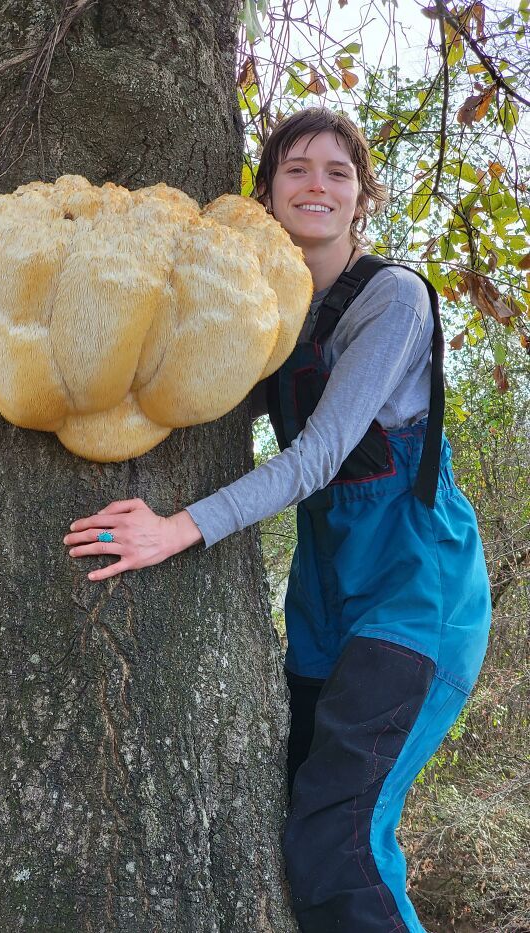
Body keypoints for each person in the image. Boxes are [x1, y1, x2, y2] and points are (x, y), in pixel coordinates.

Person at [62, 108, 491, 933]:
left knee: (342, 842)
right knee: (309, 822)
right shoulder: (274, 318)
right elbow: (206, 400)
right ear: (267, 191)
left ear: (364, 195)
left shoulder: (392, 299)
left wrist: (177, 527)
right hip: (326, 606)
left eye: (337, 171)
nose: (316, 185)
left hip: (415, 600)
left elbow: (319, 456)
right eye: (296, 168)